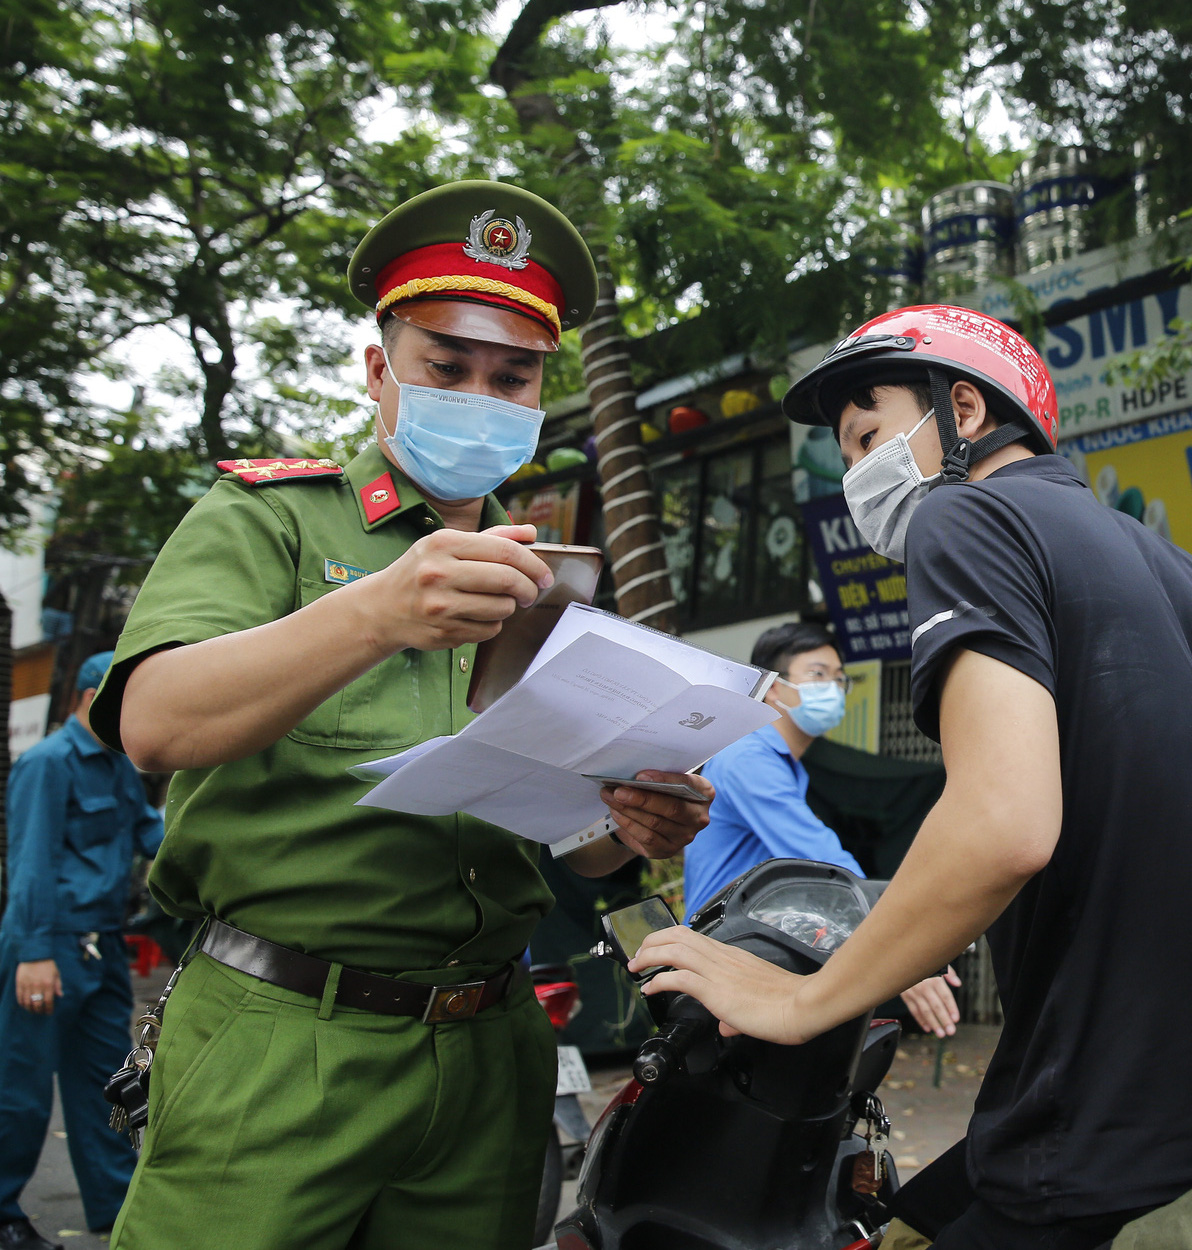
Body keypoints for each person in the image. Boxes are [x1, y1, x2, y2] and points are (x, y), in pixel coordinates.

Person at [627, 305, 1192, 1249]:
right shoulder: (1183, 571)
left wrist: (801, 1001)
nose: (857, 471)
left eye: (869, 434)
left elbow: (1004, 821)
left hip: (1085, 1138)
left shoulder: (969, 515)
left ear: (965, 410)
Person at [86, 181, 714, 1250]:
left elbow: (555, 829)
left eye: (512, 377)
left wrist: (628, 823)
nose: (482, 393)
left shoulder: (541, 573)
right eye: (447, 366)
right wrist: (372, 611)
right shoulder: (271, 516)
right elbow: (152, 721)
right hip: (281, 1037)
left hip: (489, 1047)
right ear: (378, 368)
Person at [684, 621, 962, 1036]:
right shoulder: (748, 758)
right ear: (773, 688)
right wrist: (900, 946)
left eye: (838, 678)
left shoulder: (782, 763)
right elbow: (824, 859)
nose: (831, 688)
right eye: (817, 675)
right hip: (724, 958)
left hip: (753, 952)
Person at [0, 653, 164, 1250]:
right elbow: (30, 864)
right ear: (91, 695)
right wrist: (34, 952)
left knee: (107, 1086)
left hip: (104, 946)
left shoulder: (119, 765)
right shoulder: (48, 764)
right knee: (19, 1088)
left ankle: (115, 1209)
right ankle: (3, 1211)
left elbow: (151, 834)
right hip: (52, 945)